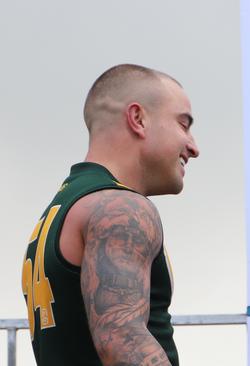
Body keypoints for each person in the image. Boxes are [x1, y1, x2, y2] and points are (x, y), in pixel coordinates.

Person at [21, 64, 199, 365]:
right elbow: (122, 340)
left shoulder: (63, 207)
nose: (193, 147)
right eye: (183, 124)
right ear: (138, 119)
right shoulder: (119, 208)